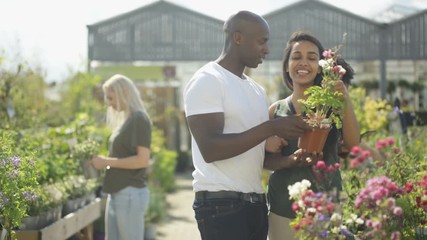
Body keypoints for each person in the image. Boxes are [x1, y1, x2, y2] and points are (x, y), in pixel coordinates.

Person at [183, 11, 311, 240]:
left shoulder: (256, 91)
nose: (267, 49)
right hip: (221, 207)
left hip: (256, 205)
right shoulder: (208, 80)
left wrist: (289, 161)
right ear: (238, 38)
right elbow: (211, 149)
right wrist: (272, 128)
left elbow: (253, 155)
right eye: (262, 41)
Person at [264, 31, 360, 240]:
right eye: (296, 57)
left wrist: (344, 98)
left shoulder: (332, 106)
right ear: (287, 65)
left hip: (326, 206)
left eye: (312, 58)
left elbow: (353, 145)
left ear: (320, 66)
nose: (303, 63)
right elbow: (263, 161)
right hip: (282, 206)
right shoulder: (275, 111)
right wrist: (271, 147)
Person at [91, 74, 152, 240]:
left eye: (111, 98)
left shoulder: (139, 119)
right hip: (118, 193)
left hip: (129, 194)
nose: (108, 103)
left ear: (124, 91)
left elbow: (142, 160)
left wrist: (106, 162)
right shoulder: (128, 120)